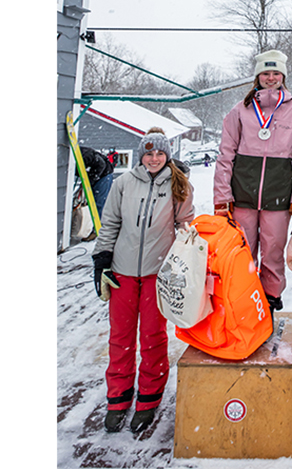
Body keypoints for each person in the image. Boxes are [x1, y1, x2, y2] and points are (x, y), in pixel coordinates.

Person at [92, 128, 195, 434]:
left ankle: (149, 396)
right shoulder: (124, 183)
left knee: (152, 337)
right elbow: (110, 222)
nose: (154, 159)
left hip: (156, 274)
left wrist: (186, 261)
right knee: (120, 338)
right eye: (149, 153)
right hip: (122, 272)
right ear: (141, 155)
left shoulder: (179, 185)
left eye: (160, 153)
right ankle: (118, 396)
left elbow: (185, 225)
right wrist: (101, 260)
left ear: (167, 155)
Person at [214, 50, 292, 314]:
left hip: (278, 196)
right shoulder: (240, 110)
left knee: (273, 251)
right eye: (266, 73)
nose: (271, 78)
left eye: (276, 73)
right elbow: (225, 155)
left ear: (283, 76)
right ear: (257, 76)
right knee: (242, 252)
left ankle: (270, 298)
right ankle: (243, 297)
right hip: (242, 194)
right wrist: (222, 195)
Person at [80, 146, 114, 219]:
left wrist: (91, 180)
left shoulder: (85, 155)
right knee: (90, 202)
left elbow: (101, 165)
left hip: (105, 175)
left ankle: (98, 224)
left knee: (98, 203)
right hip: (97, 173)